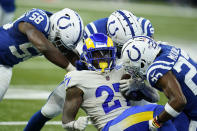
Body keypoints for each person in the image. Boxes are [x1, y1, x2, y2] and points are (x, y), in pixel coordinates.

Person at [24, 10, 158, 131]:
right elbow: (81, 59)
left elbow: (149, 60)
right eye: (121, 45)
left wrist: (138, 82)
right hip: (94, 70)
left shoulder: (144, 28)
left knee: (148, 103)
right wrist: (83, 76)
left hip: (122, 67)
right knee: (50, 109)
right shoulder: (92, 32)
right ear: (110, 34)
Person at [62, 33, 189, 131]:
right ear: (86, 56)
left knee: (177, 113)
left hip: (133, 120)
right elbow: (66, 121)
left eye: (106, 52)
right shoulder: (77, 78)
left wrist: (140, 86)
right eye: (96, 54)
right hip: (111, 125)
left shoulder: (123, 68)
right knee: (159, 112)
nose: (103, 57)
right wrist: (74, 125)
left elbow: (154, 97)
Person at [0, 7, 84, 102]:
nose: (58, 47)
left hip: (5, 65)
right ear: (56, 28)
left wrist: (84, 71)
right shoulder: (40, 18)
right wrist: (70, 68)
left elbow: (70, 55)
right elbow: (44, 46)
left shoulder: (54, 34)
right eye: (58, 41)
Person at [121, 36, 197, 130]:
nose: (132, 70)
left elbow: (179, 101)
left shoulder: (156, 69)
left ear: (143, 61)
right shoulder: (165, 47)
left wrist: (156, 122)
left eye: (133, 66)